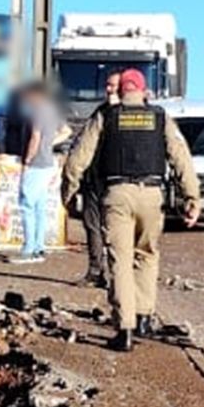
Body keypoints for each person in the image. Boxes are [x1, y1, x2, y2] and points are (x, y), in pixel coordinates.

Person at [62, 69, 201, 352]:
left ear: (121, 91)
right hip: (152, 195)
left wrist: (67, 190)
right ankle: (144, 317)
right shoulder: (161, 118)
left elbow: (79, 157)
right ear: (143, 90)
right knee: (147, 255)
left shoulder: (106, 117)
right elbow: (181, 156)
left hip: (118, 196)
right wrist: (192, 198)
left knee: (120, 261)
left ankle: (124, 329)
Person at [13, 82, 63, 264]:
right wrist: (49, 145)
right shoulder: (52, 109)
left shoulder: (37, 111)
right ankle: (39, 247)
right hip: (48, 162)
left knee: (26, 205)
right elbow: (66, 131)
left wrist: (27, 159)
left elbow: (35, 136)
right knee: (40, 207)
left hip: (36, 164)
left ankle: (28, 249)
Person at [80, 71, 122, 287]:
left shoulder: (132, 115)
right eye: (107, 85)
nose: (108, 89)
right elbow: (85, 145)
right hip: (94, 178)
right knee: (92, 225)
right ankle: (96, 270)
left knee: (116, 230)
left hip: (117, 182)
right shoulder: (101, 112)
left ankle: (119, 277)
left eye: (113, 85)